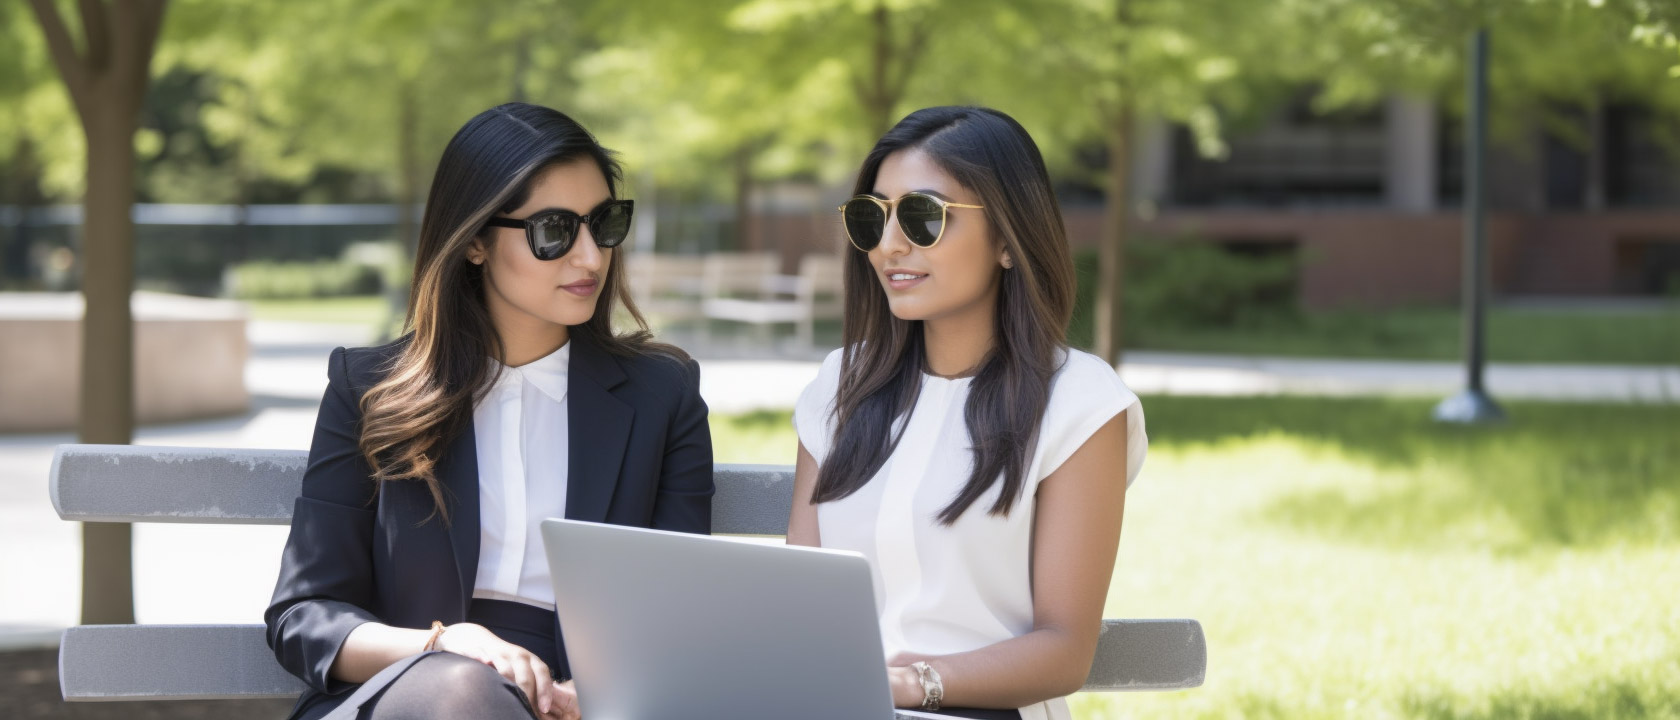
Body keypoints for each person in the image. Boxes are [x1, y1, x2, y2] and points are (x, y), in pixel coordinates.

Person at [265, 103, 714, 720]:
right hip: (407, 692)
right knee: (463, 691)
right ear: (474, 240)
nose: (590, 257)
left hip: (582, 708)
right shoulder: (369, 387)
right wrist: (441, 645)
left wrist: (596, 695)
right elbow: (305, 616)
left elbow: (678, 613)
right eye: (555, 230)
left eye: (604, 224)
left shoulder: (663, 395)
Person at [788, 106, 1148, 720]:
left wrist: (913, 684)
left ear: (1008, 239)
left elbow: (1064, 650)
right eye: (872, 217)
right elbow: (798, 599)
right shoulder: (842, 383)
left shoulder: (1081, 402)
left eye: (924, 217)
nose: (890, 244)